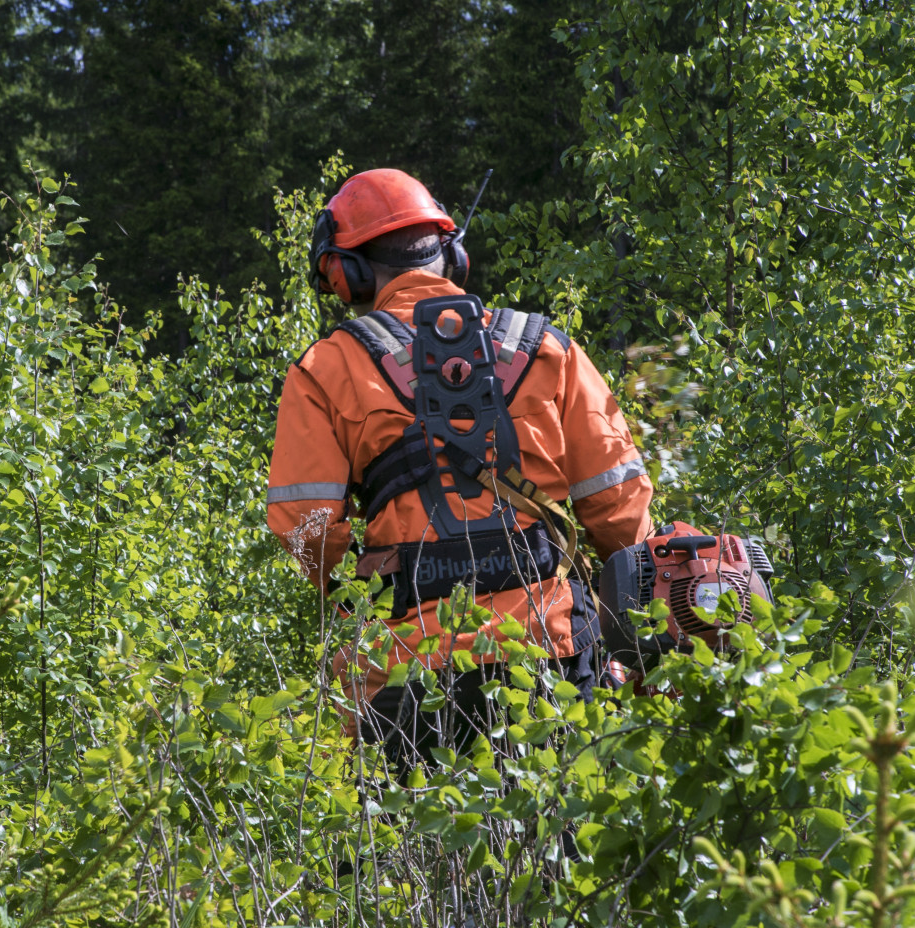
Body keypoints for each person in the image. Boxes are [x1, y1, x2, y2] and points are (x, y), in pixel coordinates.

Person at [267, 168, 652, 782]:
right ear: (453, 254)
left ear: (348, 274)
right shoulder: (547, 348)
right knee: (568, 853)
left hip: (403, 673)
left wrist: (354, 591)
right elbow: (620, 507)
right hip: (550, 652)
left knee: (401, 862)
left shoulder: (325, 369)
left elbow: (304, 531)